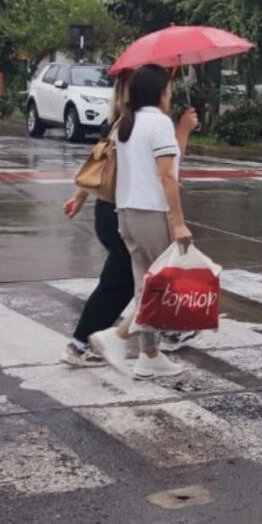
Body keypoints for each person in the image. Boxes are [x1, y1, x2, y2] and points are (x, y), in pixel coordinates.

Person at [58, 75, 201, 366]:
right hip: (133, 212)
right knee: (131, 283)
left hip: (116, 211)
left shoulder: (126, 123)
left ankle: (155, 346)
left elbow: (105, 164)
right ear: (158, 91)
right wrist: (177, 221)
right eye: (168, 88)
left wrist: (80, 196)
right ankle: (86, 342)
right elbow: (166, 173)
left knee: (140, 281)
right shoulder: (144, 123)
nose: (170, 94)